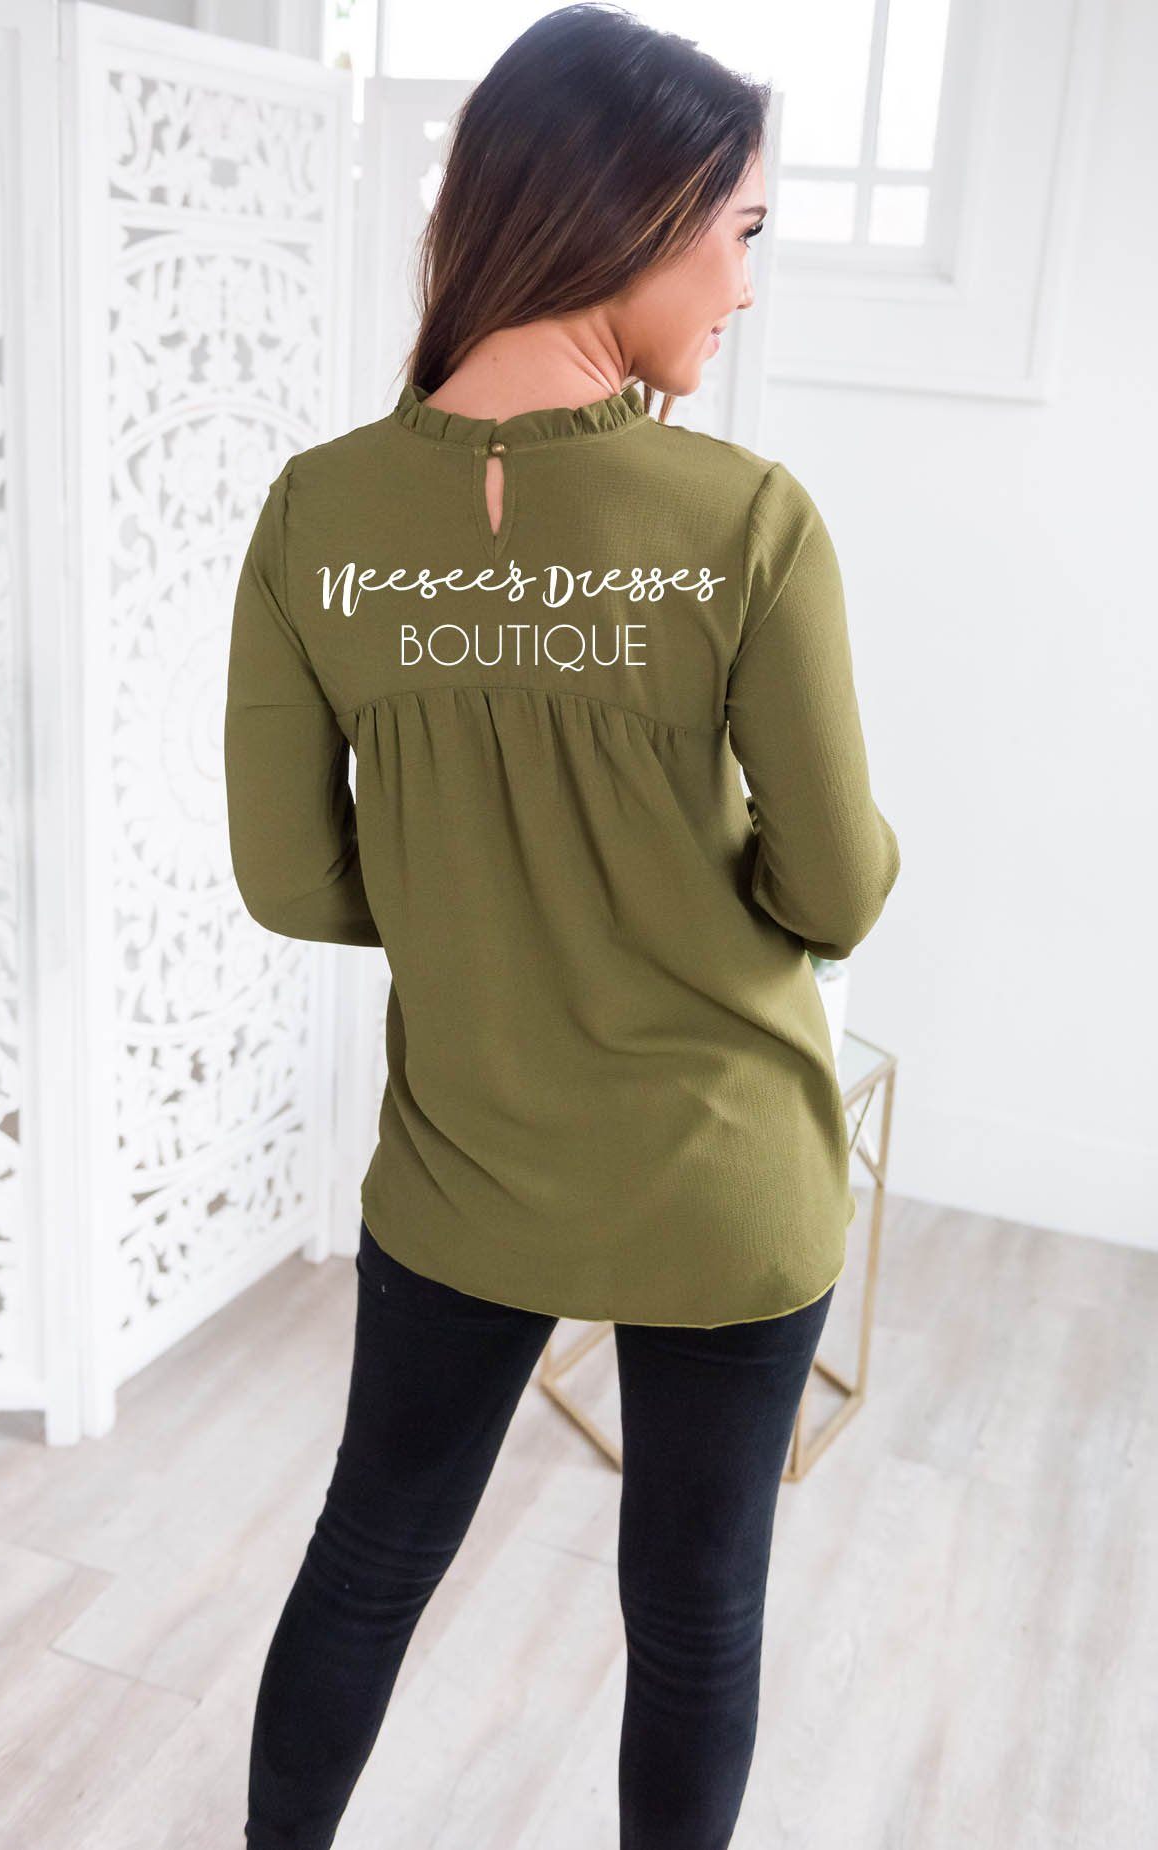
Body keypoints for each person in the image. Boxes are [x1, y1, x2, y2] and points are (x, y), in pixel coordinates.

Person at [225, 5, 901, 1845]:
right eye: (741, 230)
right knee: (695, 1615)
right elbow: (837, 889)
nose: (747, 281)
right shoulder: (745, 519)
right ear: (638, 211)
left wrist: (478, 902)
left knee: (368, 1560)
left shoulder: (318, 515)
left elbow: (290, 877)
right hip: (724, 1181)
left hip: (468, 1171)